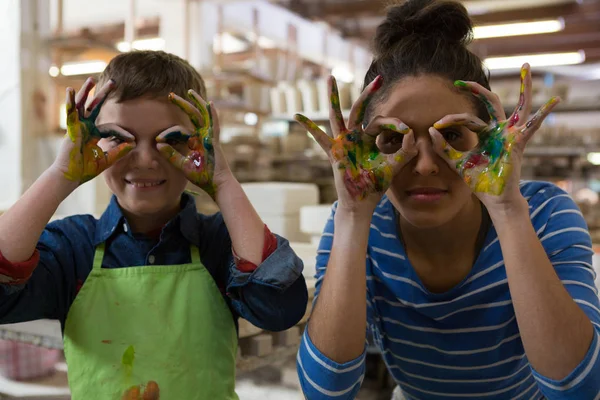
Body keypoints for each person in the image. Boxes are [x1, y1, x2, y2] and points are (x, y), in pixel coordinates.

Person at [295, 1, 600, 399]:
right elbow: (327, 392)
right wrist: (353, 217)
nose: (424, 165)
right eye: (394, 139)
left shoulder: (544, 214)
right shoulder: (357, 221)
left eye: (453, 136)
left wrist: (507, 211)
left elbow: (578, 389)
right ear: (368, 147)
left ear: (489, 141)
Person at [0, 50, 308, 399]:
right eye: (119, 137)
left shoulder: (220, 242)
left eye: (171, 139)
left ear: (202, 141)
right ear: (92, 140)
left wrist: (221, 179)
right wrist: (59, 175)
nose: (145, 160)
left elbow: (280, 309)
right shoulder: (73, 248)